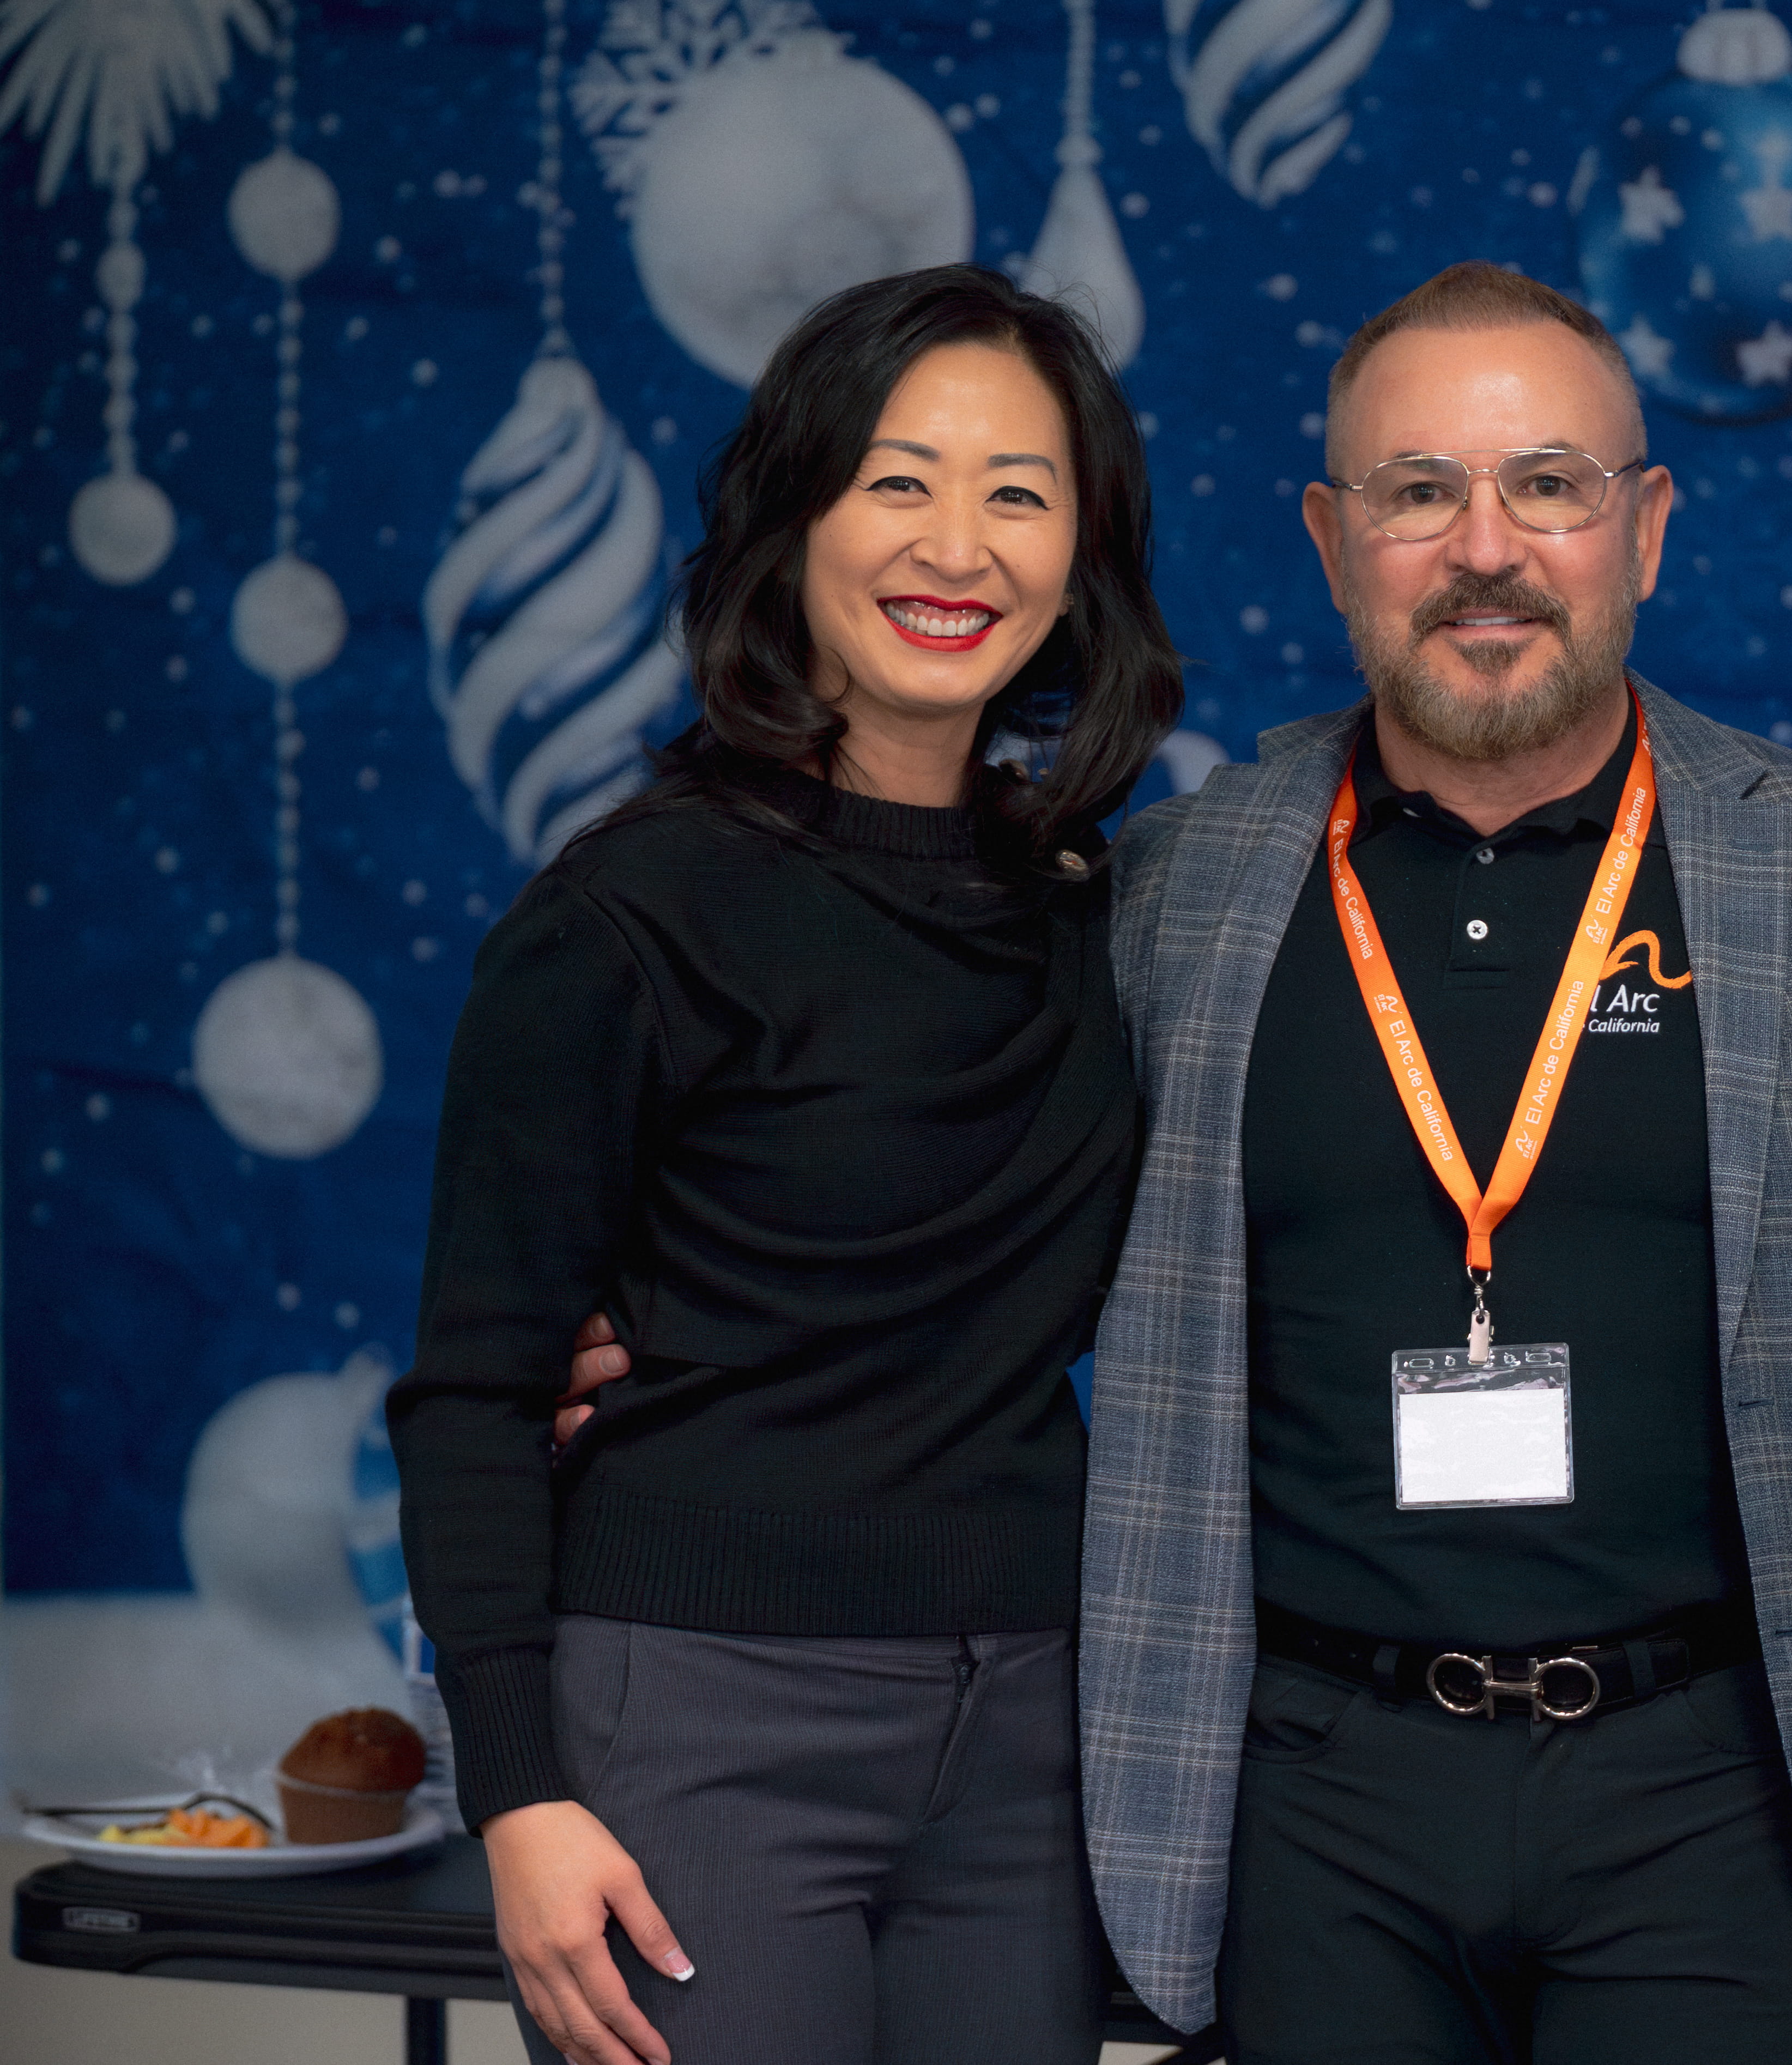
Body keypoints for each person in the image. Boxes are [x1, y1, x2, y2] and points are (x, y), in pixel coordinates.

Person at [1079, 263, 1792, 2061]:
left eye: (1548, 484)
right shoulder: (1175, 889)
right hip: (1316, 1805)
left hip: (1724, 1798)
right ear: (1333, 542)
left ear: (1645, 527)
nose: (1485, 546)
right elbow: (971, 1237)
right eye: (1419, 493)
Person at [389, 264, 1179, 2065]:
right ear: (793, 518)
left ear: (1083, 556)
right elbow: (473, 1396)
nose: (956, 546)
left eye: (1018, 492)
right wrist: (518, 1798)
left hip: (1034, 1735)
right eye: (897, 480)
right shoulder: (625, 916)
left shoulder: (1089, 911)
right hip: (704, 1725)